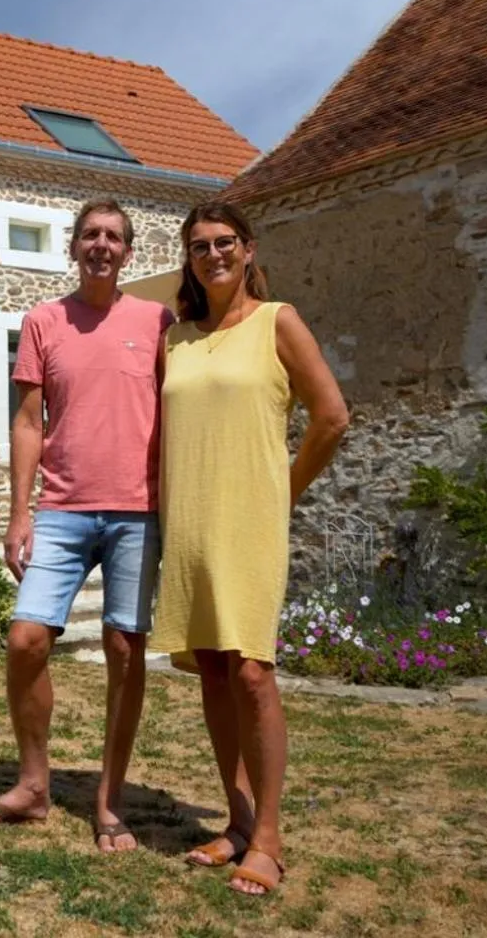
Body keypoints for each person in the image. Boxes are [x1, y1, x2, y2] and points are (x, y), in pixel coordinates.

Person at [0, 199, 176, 853]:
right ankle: (32, 785)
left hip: (138, 511)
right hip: (61, 509)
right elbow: (28, 422)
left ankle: (108, 801)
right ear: (73, 248)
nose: (100, 246)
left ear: (128, 253)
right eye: (89, 235)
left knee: (124, 651)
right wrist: (18, 512)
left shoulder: (158, 322)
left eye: (112, 237)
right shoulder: (42, 321)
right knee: (25, 639)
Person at [153, 200, 349, 896]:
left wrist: (282, 492)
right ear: (189, 258)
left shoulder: (278, 321)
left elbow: (331, 416)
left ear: (248, 249)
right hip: (189, 522)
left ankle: (267, 837)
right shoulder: (174, 339)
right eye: (200, 246)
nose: (213, 254)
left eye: (225, 242)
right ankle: (235, 821)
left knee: (251, 674)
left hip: (250, 522)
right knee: (209, 668)